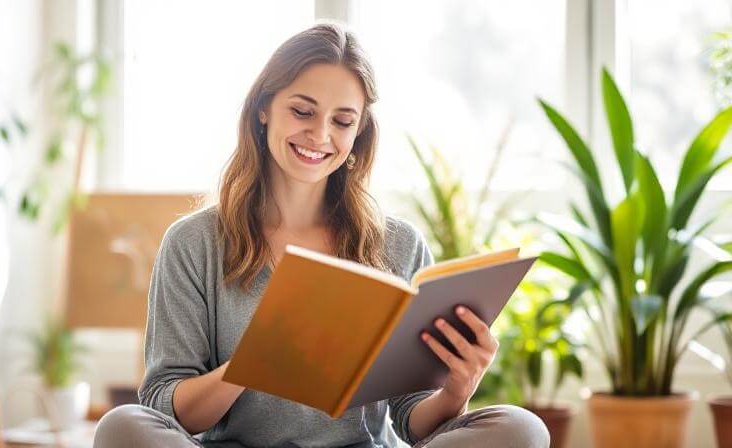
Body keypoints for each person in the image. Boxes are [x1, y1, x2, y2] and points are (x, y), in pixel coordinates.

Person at [94, 22, 549, 448]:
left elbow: (411, 420)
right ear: (263, 110)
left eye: (342, 121)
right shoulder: (194, 243)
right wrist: (253, 365)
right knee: (123, 426)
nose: (320, 134)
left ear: (359, 133)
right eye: (302, 111)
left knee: (522, 428)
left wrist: (457, 389)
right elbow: (164, 406)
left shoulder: (399, 245)